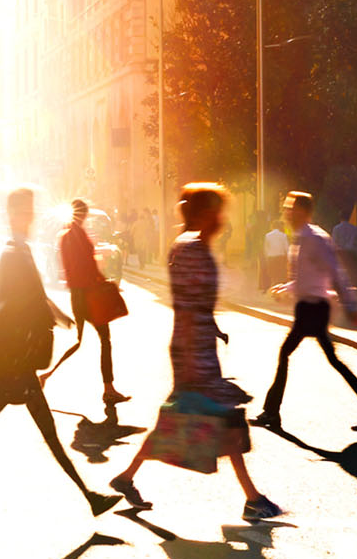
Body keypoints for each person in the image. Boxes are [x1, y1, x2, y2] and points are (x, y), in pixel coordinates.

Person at [0, 186, 120, 524]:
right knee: (43, 431)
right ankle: (90, 497)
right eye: (28, 211)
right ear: (17, 215)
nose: (32, 216)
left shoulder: (19, 250)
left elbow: (32, 299)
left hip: (15, 361)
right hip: (16, 362)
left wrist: (61, 318)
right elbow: (1, 311)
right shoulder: (13, 254)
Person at [108, 182, 281, 520]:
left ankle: (126, 477)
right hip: (192, 348)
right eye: (218, 211)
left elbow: (193, 300)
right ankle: (252, 497)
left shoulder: (190, 245)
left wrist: (212, 327)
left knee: (181, 417)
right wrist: (195, 348)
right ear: (204, 214)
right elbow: (188, 303)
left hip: (196, 342)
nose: (223, 219)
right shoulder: (191, 248)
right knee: (222, 418)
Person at [255, 190, 357, 433]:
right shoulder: (302, 237)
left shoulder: (315, 238)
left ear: (302, 211)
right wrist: (286, 287)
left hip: (314, 307)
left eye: (290, 208)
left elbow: (336, 273)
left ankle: (271, 412)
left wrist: (353, 306)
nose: (286, 213)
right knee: (331, 359)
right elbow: (307, 277)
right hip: (309, 305)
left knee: (286, 354)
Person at [51, 198, 129, 408]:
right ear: (83, 215)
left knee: (79, 338)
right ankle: (109, 389)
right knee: (104, 339)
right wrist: (103, 282)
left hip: (76, 295)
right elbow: (87, 267)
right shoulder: (79, 236)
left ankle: (46, 375)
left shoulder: (64, 236)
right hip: (89, 294)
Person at [330, 210, 357, 285]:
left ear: (340, 217)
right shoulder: (354, 228)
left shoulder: (336, 228)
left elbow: (334, 242)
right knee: (351, 271)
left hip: (340, 253)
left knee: (340, 271)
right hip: (351, 252)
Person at [262, 218, 288, 294]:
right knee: (280, 275)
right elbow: (286, 248)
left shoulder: (267, 235)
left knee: (273, 275)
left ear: (272, 226)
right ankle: (279, 291)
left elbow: (266, 248)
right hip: (281, 257)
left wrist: (267, 257)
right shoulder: (283, 235)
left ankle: (273, 291)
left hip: (271, 257)